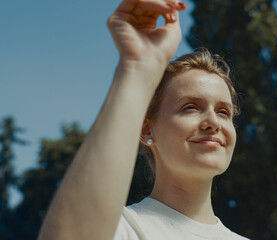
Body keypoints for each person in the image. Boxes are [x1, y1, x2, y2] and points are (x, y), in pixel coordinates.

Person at [38, 0, 248, 239]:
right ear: (147, 129)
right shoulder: (122, 229)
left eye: (223, 112)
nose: (213, 122)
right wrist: (137, 66)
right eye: (190, 107)